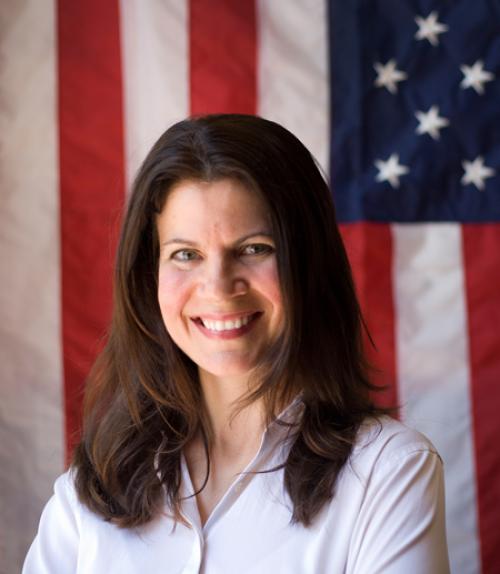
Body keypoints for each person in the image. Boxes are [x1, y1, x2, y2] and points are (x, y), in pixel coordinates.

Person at [23, 114, 450, 573]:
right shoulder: (89, 494)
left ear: (309, 263)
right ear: (150, 277)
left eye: (254, 249)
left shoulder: (390, 472)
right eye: (186, 255)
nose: (219, 287)